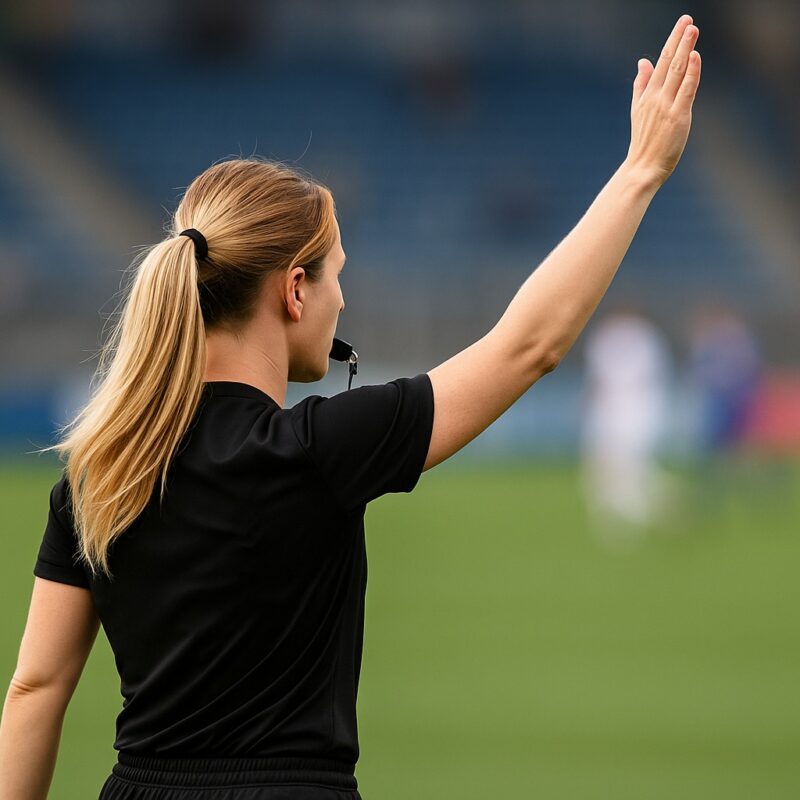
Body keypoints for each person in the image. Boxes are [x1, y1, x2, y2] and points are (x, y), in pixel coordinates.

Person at [0, 15, 702, 799]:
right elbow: (527, 346)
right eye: (336, 274)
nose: (344, 299)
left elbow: (35, 688)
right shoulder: (319, 448)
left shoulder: (99, 475)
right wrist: (641, 170)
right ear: (294, 291)